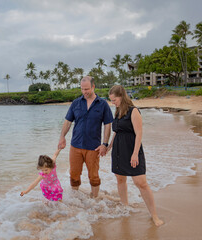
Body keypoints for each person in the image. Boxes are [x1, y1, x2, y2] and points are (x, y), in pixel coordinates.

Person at [108, 85, 164, 226]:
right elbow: (117, 131)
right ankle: (125, 206)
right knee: (120, 179)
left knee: (141, 183)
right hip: (118, 151)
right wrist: (109, 146)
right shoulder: (117, 111)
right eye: (111, 100)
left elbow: (139, 133)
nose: (112, 103)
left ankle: (154, 215)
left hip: (132, 150)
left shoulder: (133, 111)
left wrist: (135, 154)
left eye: (114, 100)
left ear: (121, 96)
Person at [58, 76, 113, 198]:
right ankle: (75, 199)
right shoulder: (76, 103)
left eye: (87, 89)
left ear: (93, 87)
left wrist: (104, 144)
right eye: (82, 89)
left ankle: (95, 199)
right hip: (75, 145)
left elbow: (108, 125)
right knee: (74, 175)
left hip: (93, 147)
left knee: (93, 176)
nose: (84, 92)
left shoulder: (103, 104)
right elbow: (68, 122)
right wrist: (62, 137)